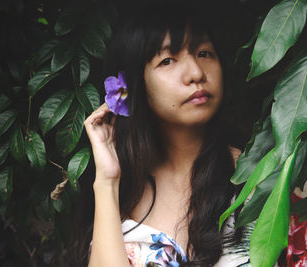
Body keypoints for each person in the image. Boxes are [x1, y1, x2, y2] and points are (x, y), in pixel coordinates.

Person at [72, 2, 253, 266]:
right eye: (167, 60)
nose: (196, 74)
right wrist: (107, 182)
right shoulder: (123, 191)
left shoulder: (256, 178)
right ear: (133, 85)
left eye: (204, 53)